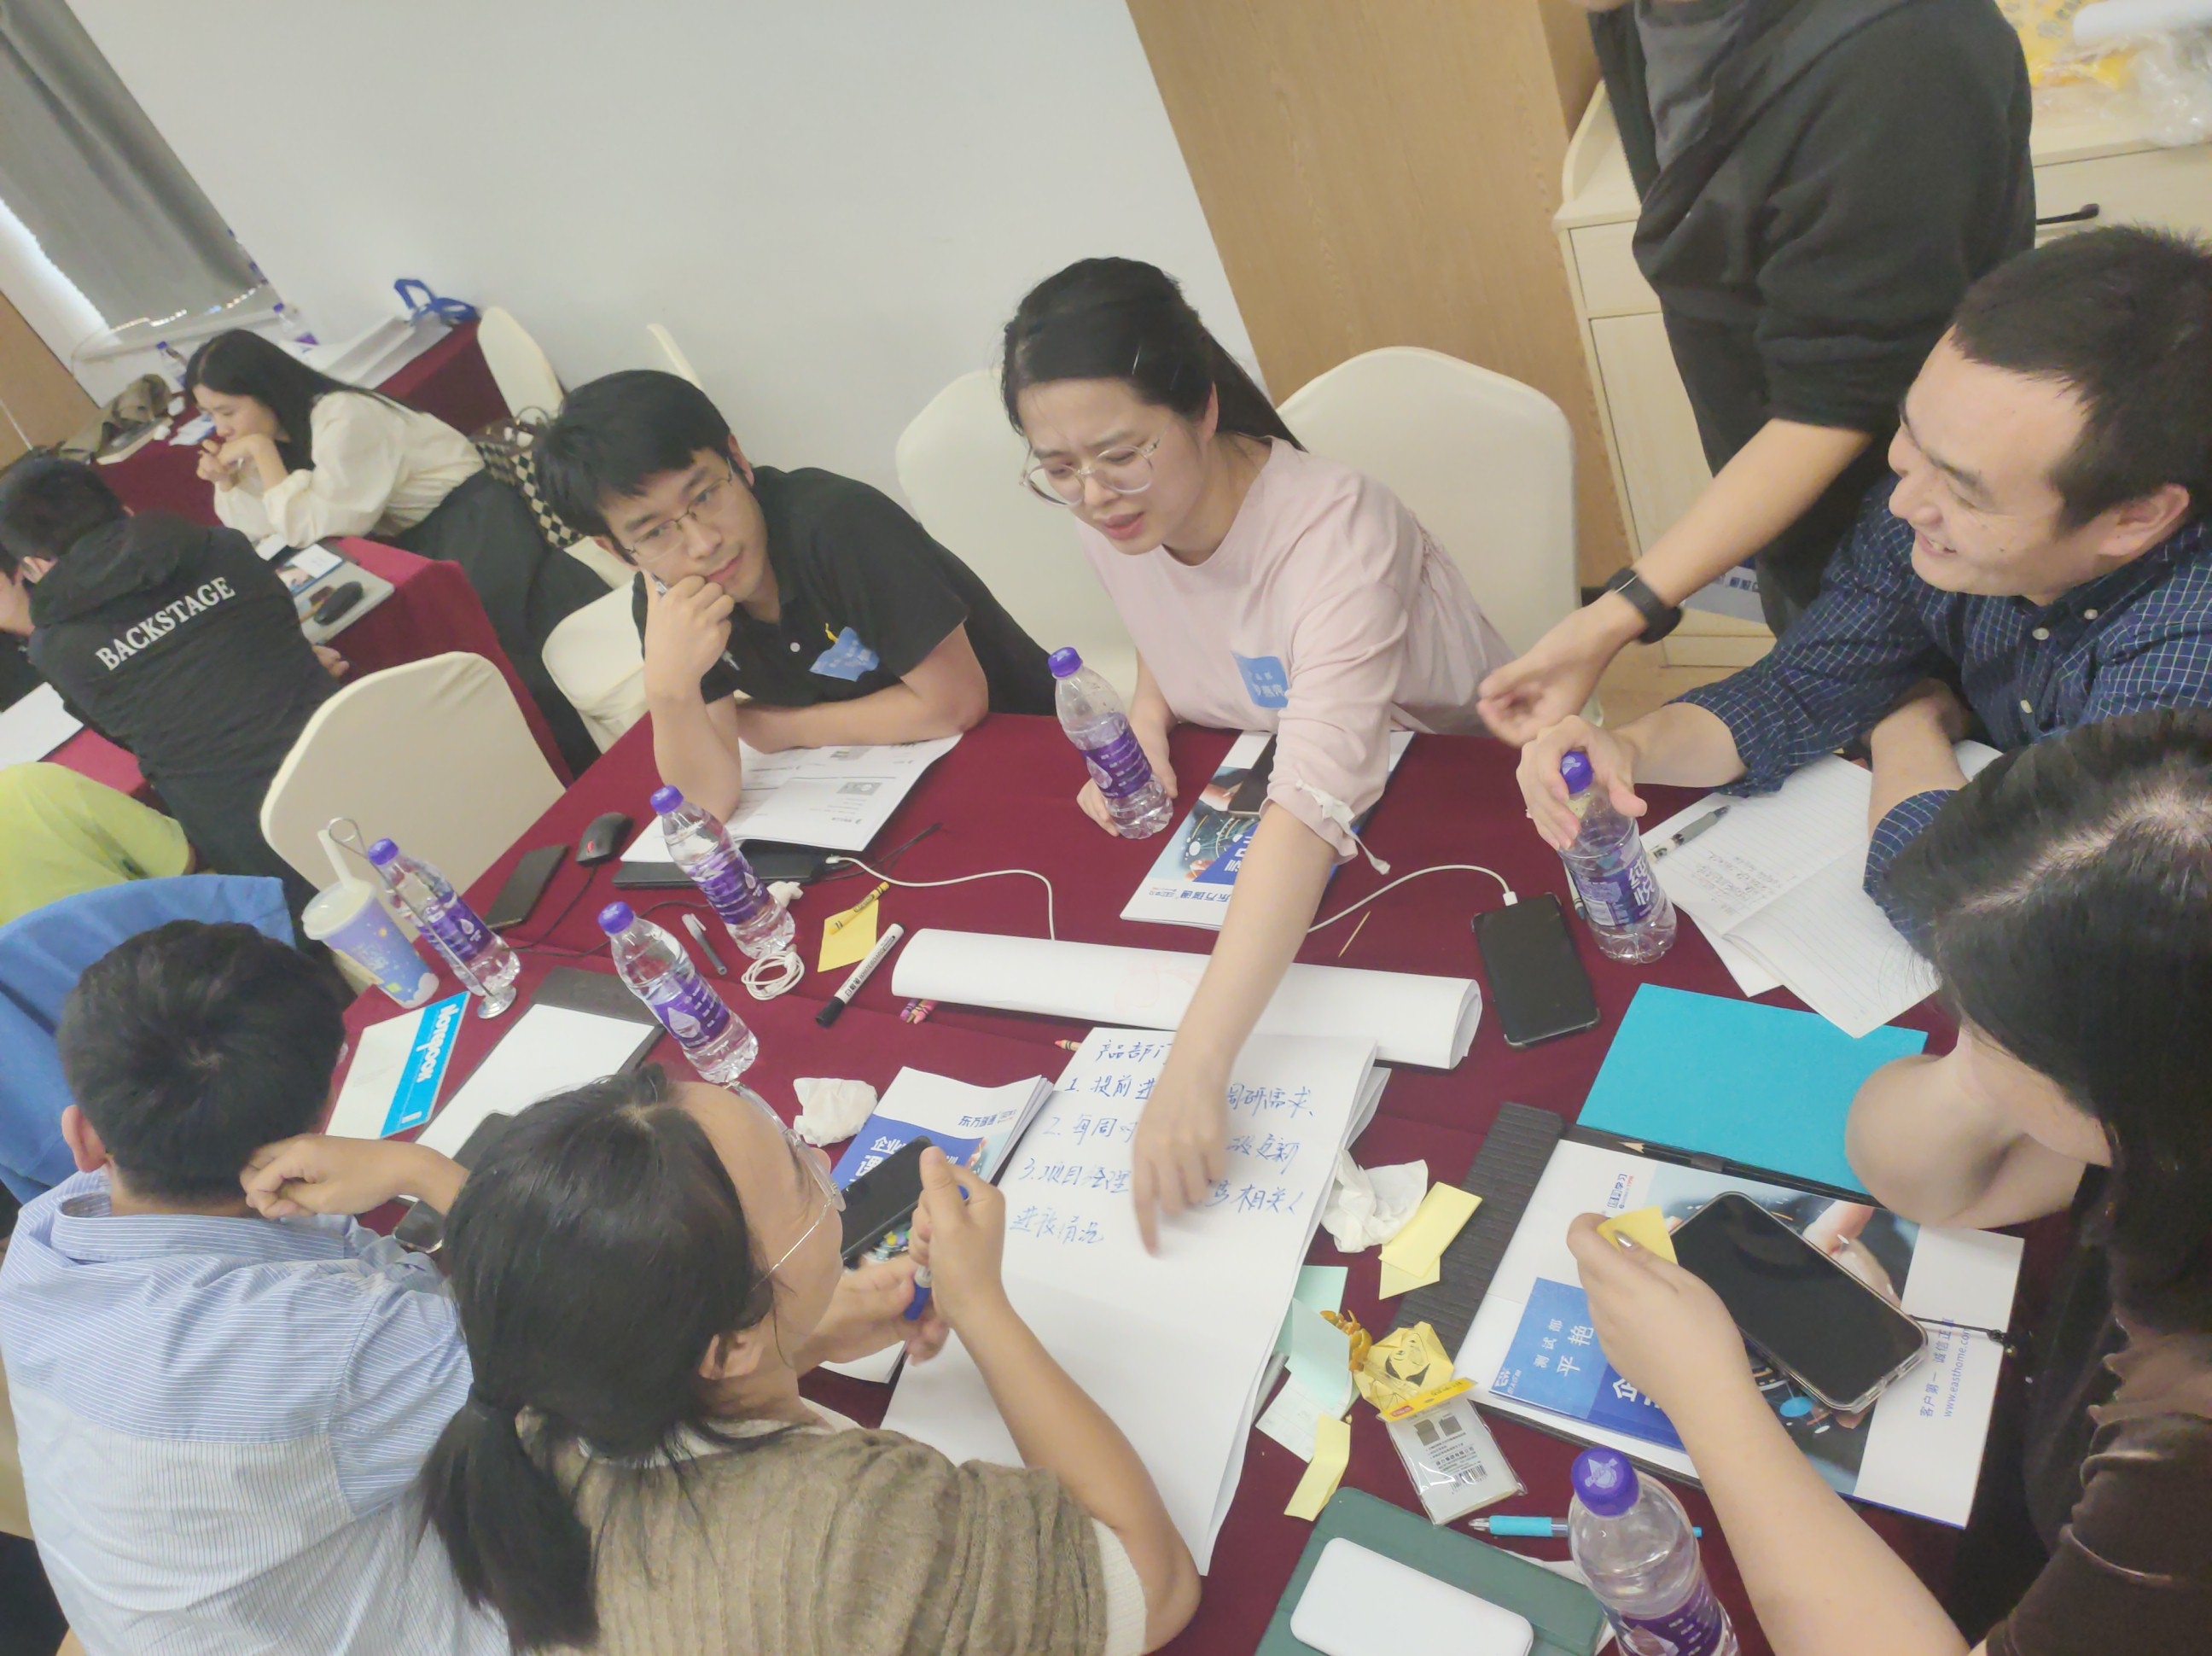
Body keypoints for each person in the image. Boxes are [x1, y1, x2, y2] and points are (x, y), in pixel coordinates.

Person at [1569, 709, 2212, 1653]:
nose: (1962, 1041)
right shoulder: (2172, 1110)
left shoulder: (2190, 1447)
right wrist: (2000, 1051)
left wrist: (1706, 1396)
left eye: (1982, 1029)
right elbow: (1921, 1178)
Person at [1001, 257, 1511, 1248]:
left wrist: (1196, 1068)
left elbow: (1315, 798)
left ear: (1201, 407)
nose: (1095, 496)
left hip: (1448, 789)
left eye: (1119, 454)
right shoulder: (1122, 516)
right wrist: (1147, 716)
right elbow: (1177, 624)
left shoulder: (1339, 525)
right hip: (1289, 793)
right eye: (1057, 469)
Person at [1512, 227, 2212, 925]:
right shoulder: (1928, 522)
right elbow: (1797, 690)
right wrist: (1627, 749)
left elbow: (1994, 913)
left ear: (2135, 518)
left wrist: (1907, 728)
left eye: (1964, 491)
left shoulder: (2186, 663)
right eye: (1910, 436)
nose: (1905, 503)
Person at [413, 1067, 1200, 1656]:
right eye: (798, 1173)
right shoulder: (851, 1525)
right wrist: (980, 1308)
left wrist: (803, 1338)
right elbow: (1156, 1586)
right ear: (728, 1346)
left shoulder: (544, 1397)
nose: (822, 1164)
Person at [1478, 0, 2034, 740]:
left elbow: (1837, 396)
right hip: (1790, 501)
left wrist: (1619, 613)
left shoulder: (1898, 54)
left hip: (1921, 538)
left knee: (1926, 732)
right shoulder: (1652, 20)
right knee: (1820, 711)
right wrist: (1636, 747)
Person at [0, 919, 501, 1654]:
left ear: (84, 1139)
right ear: (319, 1122)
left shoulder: (41, 1238)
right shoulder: (336, 1344)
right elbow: (584, 1326)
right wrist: (420, 1171)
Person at [531, 369, 1054, 818]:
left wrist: (783, 728)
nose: (703, 543)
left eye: (706, 494)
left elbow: (955, 705)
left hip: (1027, 751)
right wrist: (669, 690)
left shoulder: (840, 524)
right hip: (889, 791)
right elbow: (709, 802)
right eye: (655, 532)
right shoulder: (670, 602)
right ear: (617, 551)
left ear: (738, 459)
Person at [186, 329, 605, 770]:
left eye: (227, 411)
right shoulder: (290, 430)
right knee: (434, 642)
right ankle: (554, 758)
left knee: (487, 646)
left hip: (475, 518)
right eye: (210, 415)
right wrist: (230, 482)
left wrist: (260, 451)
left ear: (267, 390)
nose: (221, 429)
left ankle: (583, 755)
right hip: (427, 535)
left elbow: (310, 527)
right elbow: (262, 527)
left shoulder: (345, 415)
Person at [0, 454, 344, 910]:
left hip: (263, 844)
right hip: (354, 757)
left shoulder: (59, 651)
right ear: (122, 508)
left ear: (33, 566)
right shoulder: (224, 547)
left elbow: (129, 735)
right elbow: (282, 633)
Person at [0, 762, 191, 926]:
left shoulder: (28, 783)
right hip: (171, 940)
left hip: (125, 951)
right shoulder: (31, 782)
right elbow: (181, 863)